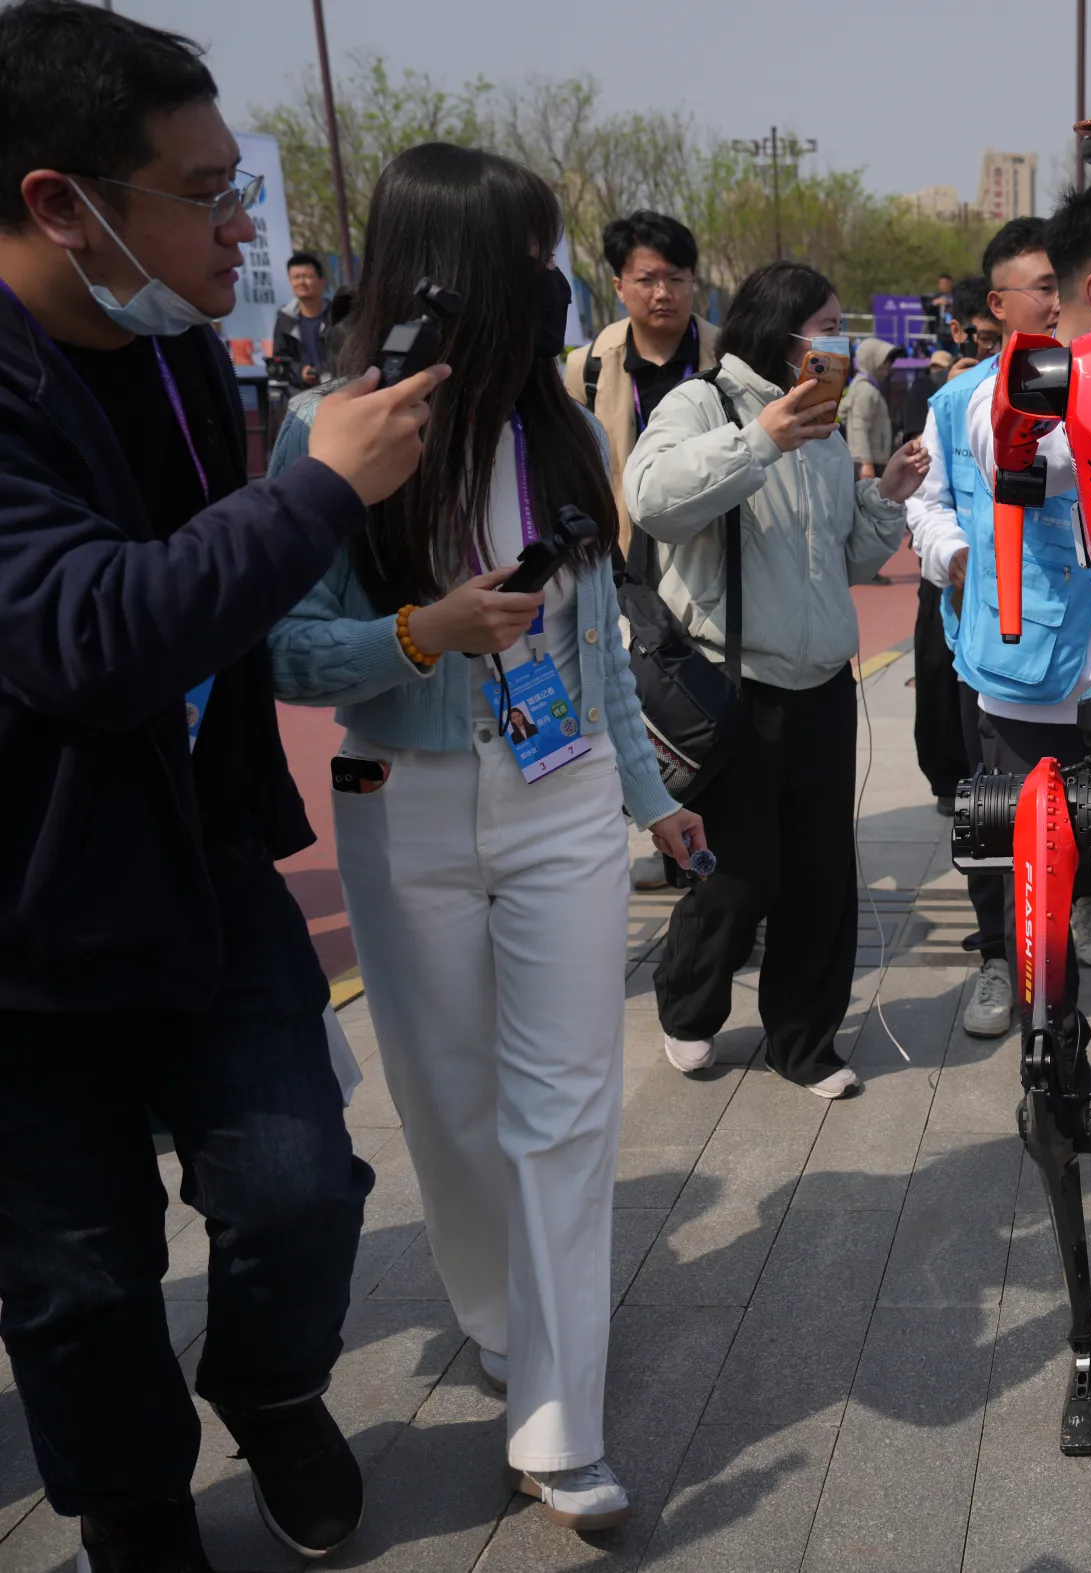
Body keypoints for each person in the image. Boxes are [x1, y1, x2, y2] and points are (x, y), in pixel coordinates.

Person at [0, 8, 440, 1566]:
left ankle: (268, 1386)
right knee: (76, 1275)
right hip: (29, 925)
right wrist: (320, 488)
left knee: (300, 1187)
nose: (245, 227)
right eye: (204, 192)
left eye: (239, 185)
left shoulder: (186, 355)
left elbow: (218, 613)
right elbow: (90, 635)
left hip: (204, 864)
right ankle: (132, 1506)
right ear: (63, 203)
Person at [269, 142, 701, 1537]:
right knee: (450, 1108)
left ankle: (563, 1419)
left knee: (566, 1106)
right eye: (528, 256)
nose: (551, 280)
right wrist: (419, 634)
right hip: (400, 801)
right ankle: (506, 1318)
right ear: (447, 267)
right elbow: (284, 648)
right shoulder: (328, 429)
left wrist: (646, 795)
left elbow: (598, 648)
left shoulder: (561, 427)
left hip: (560, 800)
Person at [919, 191, 1091, 1168]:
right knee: (1038, 885)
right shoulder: (988, 392)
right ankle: (1059, 1072)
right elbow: (1007, 466)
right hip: (1027, 684)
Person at [624, 260, 924, 1087]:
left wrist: (886, 496)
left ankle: (805, 1041)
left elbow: (843, 561)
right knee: (737, 873)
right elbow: (651, 499)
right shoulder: (702, 403)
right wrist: (760, 439)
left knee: (822, 875)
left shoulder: (825, 423)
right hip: (735, 686)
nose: (840, 342)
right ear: (780, 330)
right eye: (826, 326)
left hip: (823, 684)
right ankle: (688, 1005)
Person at [906, 226, 1048, 1039]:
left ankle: (1081, 910)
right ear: (998, 304)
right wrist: (956, 555)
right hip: (991, 651)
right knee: (993, 812)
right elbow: (926, 504)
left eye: (1067, 287)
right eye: (1041, 288)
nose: (1057, 304)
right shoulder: (958, 401)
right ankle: (997, 952)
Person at [561, 209, 720, 552]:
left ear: (693, 282)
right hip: (622, 552)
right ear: (619, 287)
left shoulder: (729, 360)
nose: (662, 293)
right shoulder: (587, 368)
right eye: (647, 281)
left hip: (710, 550)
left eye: (675, 279)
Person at [272, 247, 331, 384]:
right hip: (300, 392)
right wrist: (300, 372)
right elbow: (281, 359)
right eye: (296, 278)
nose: (301, 283)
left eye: (307, 277)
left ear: (322, 282)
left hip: (338, 388)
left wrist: (324, 371)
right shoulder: (285, 319)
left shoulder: (338, 316)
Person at [842, 335, 897, 479]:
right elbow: (859, 426)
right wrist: (866, 463)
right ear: (871, 359)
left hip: (870, 459)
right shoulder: (866, 390)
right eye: (884, 360)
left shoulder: (867, 387)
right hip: (867, 462)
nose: (888, 365)